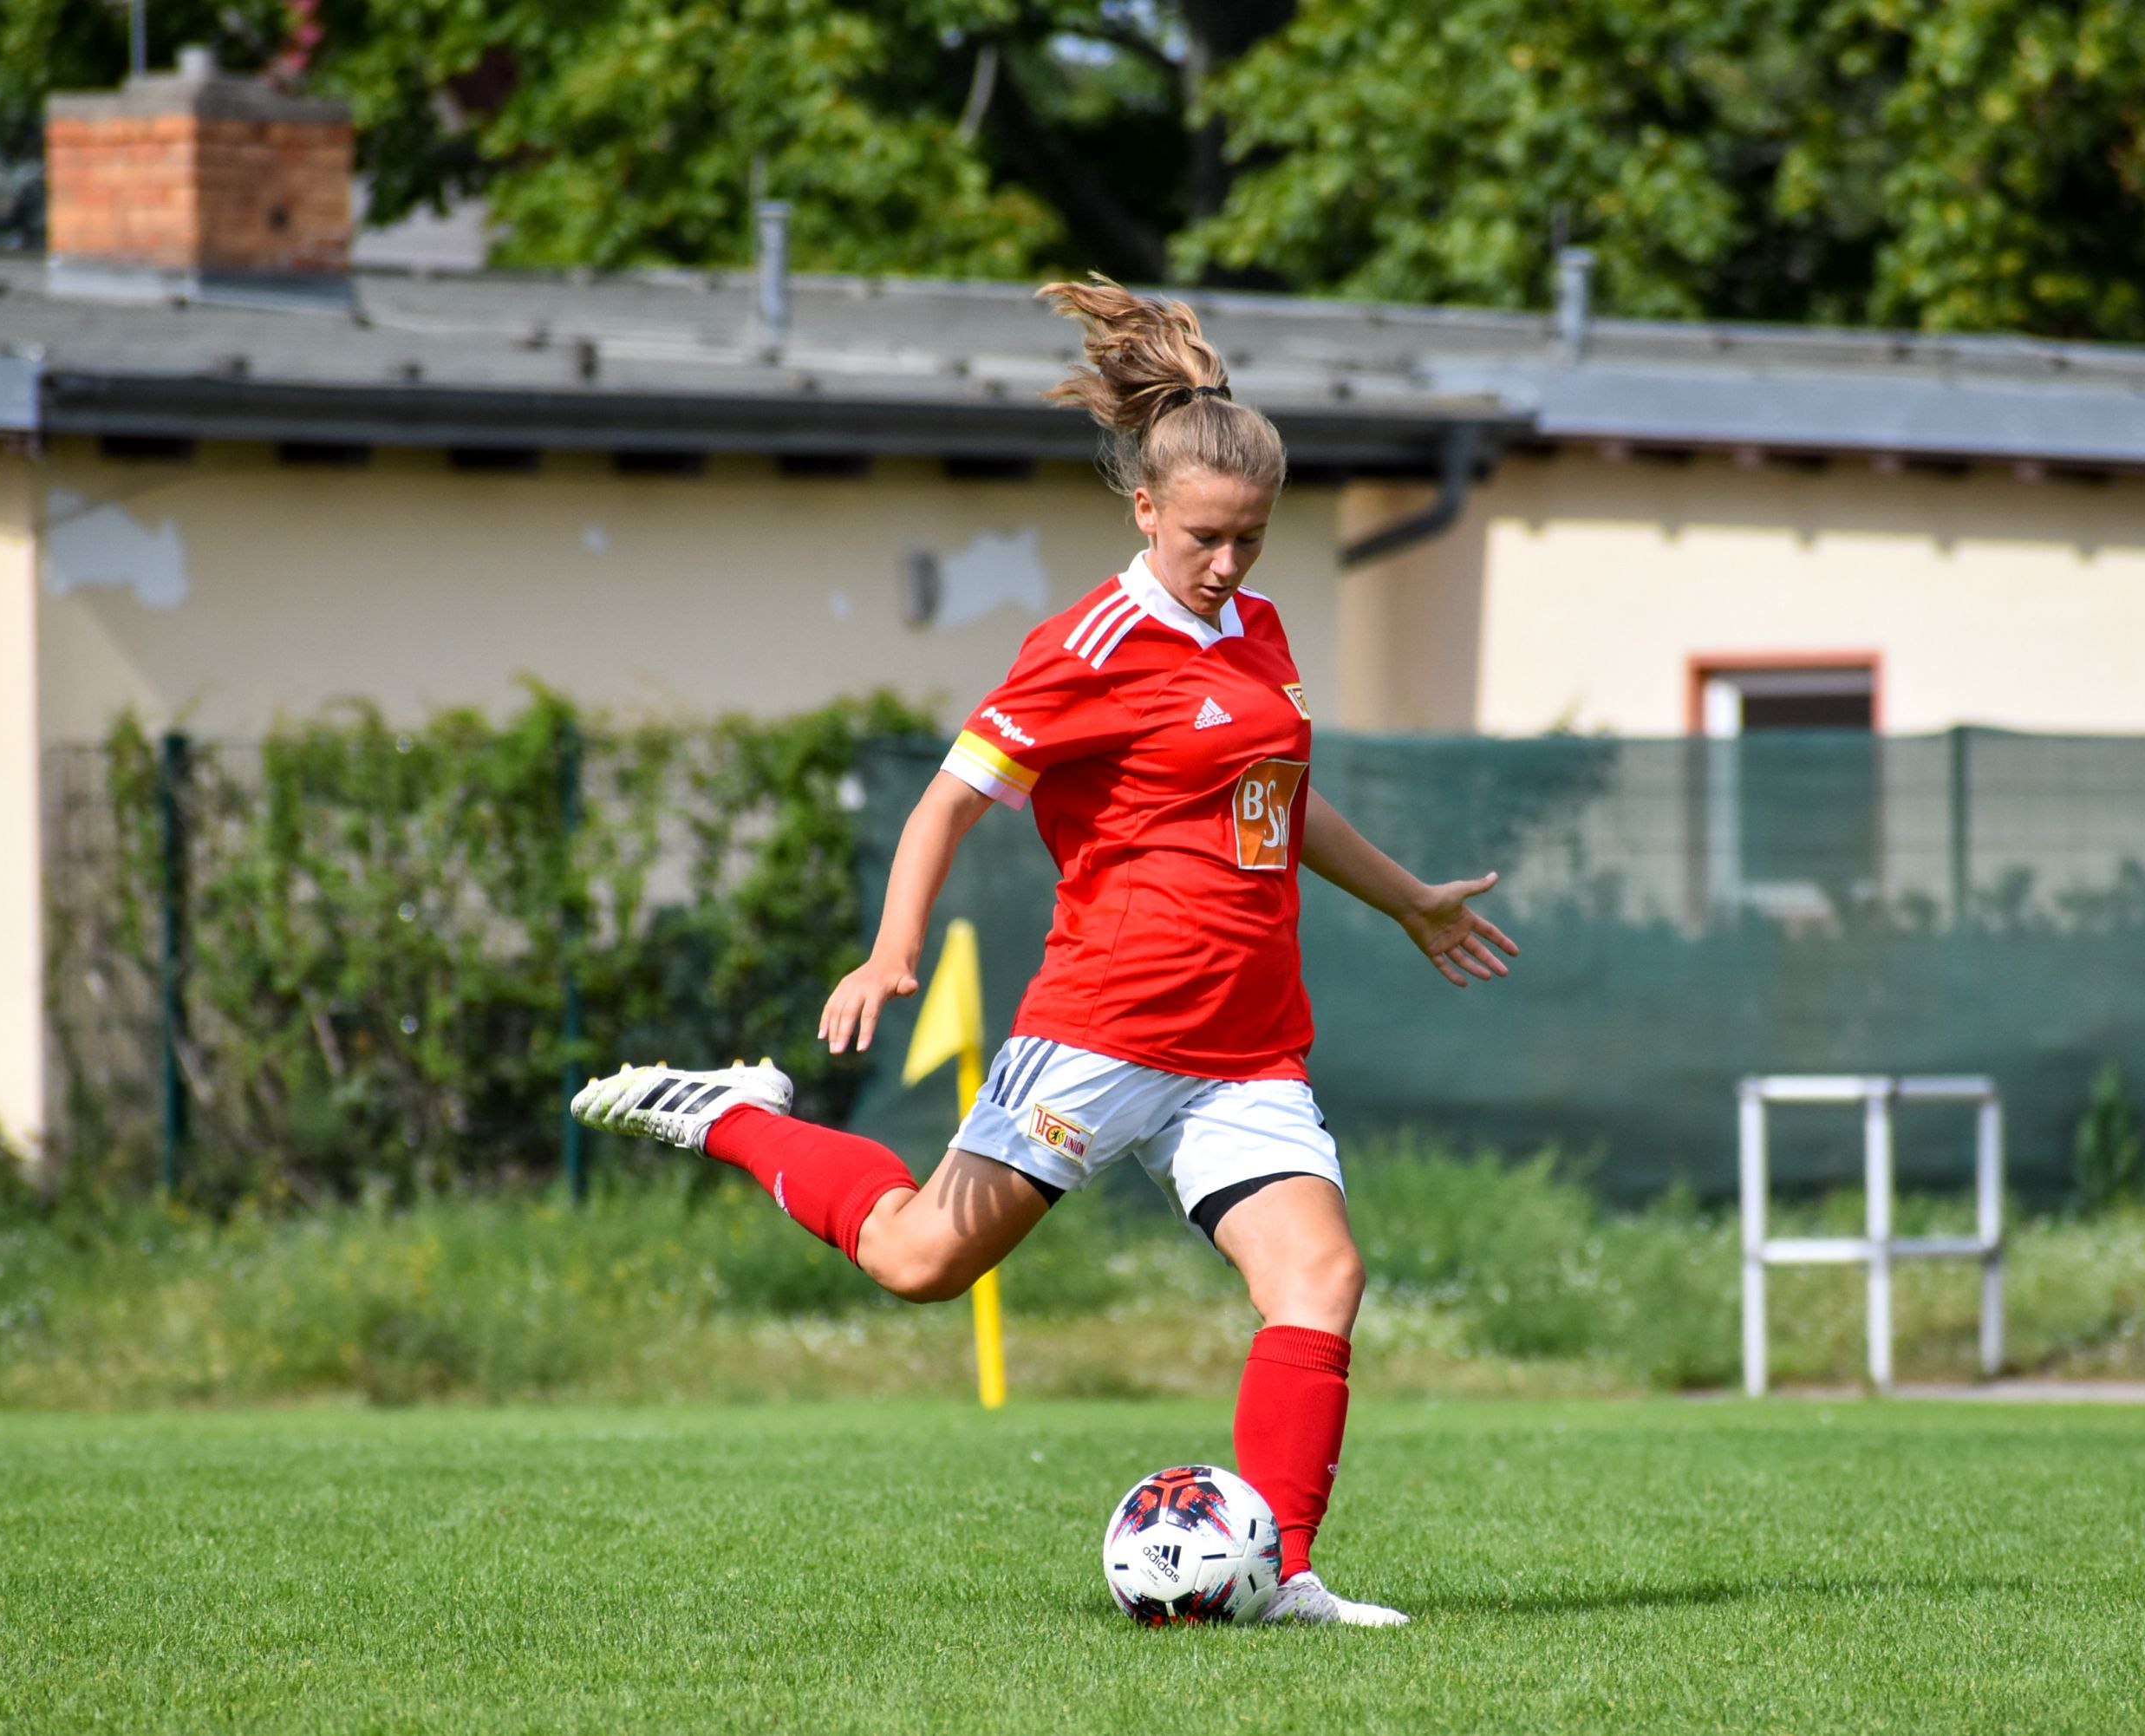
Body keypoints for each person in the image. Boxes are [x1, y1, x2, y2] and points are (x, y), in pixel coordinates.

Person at [572, 277, 1516, 1627]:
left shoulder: (1258, 630)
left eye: (1253, 538)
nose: (1231, 564)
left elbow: (1277, 804)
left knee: (1320, 1278)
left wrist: (1409, 899)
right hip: (1102, 1028)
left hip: (1245, 1044)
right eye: (1206, 537)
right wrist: (894, 945)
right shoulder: (1087, 647)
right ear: (1145, 509)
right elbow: (951, 795)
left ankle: (1281, 1570)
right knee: (917, 1263)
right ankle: (730, 1115)